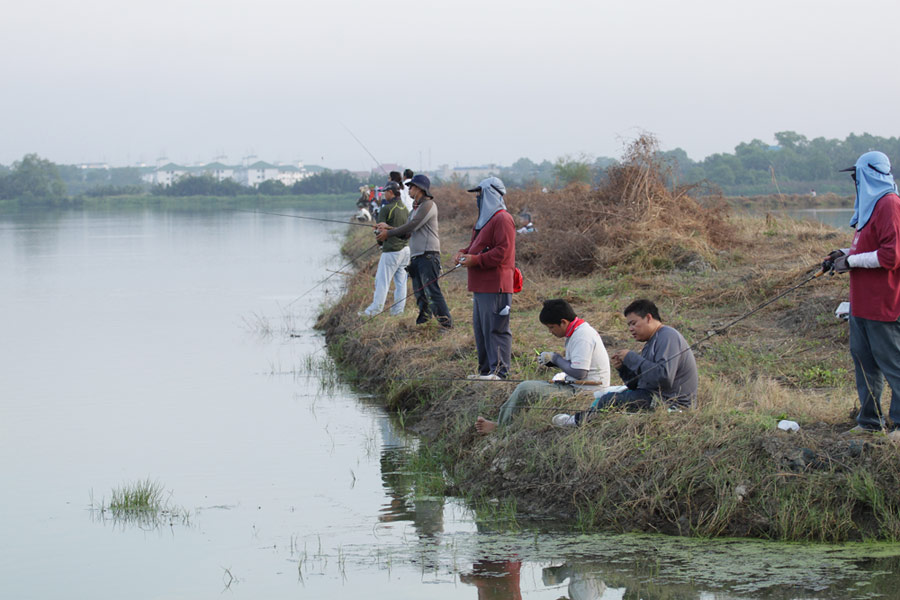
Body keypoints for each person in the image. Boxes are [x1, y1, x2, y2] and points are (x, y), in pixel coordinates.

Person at [825, 151, 900, 436]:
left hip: (885, 303)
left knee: (892, 364)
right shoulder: (868, 207)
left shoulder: (889, 204)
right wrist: (841, 254)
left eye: (857, 175)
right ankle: (869, 422)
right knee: (864, 363)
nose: (854, 181)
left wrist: (852, 262)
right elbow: (865, 248)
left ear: (869, 174)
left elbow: (892, 256)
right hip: (861, 302)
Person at [553, 299, 697, 427]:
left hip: (672, 404)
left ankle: (576, 421)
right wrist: (624, 369)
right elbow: (641, 383)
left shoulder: (667, 336)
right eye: (629, 325)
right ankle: (585, 418)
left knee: (609, 400)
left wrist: (631, 358)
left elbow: (664, 377)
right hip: (656, 396)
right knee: (605, 394)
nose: (630, 329)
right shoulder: (651, 342)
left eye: (633, 323)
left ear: (648, 318)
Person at [474, 299, 610, 433]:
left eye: (551, 327)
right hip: (579, 386)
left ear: (563, 322)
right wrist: (553, 362)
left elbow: (580, 373)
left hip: (585, 392)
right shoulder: (578, 331)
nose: (550, 332)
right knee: (532, 388)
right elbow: (576, 366)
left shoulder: (582, 336)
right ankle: (510, 425)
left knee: (525, 388)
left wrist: (556, 358)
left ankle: (500, 426)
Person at [454, 177, 516, 379]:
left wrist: (475, 260)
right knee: (481, 331)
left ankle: (499, 372)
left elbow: (503, 253)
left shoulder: (502, 219)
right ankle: (486, 371)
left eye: (479, 194)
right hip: (480, 286)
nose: (477, 198)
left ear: (490, 194)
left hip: (495, 285)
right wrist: (464, 253)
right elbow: (475, 246)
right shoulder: (484, 220)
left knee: (495, 329)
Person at [376, 174, 452, 328]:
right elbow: (406, 232)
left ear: (420, 189)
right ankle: (424, 323)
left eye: (411, 187)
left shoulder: (428, 205)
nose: (409, 190)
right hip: (416, 256)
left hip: (429, 255)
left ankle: (446, 324)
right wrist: (386, 227)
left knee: (432, 291)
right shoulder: (414, 209)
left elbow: (412, 226)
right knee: (419, 293)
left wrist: (389, 233)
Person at [360, 181, 410, 317]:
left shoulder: (386, 209)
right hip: (405, 250)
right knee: (401, 283)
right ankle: (398, 312)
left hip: (392, 251)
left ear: (391, 192)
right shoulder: (404, 208)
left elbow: (379, 231)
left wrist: (379, 242)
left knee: (382, 281)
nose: (383, 195)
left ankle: (374, 311)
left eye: (385, 192)